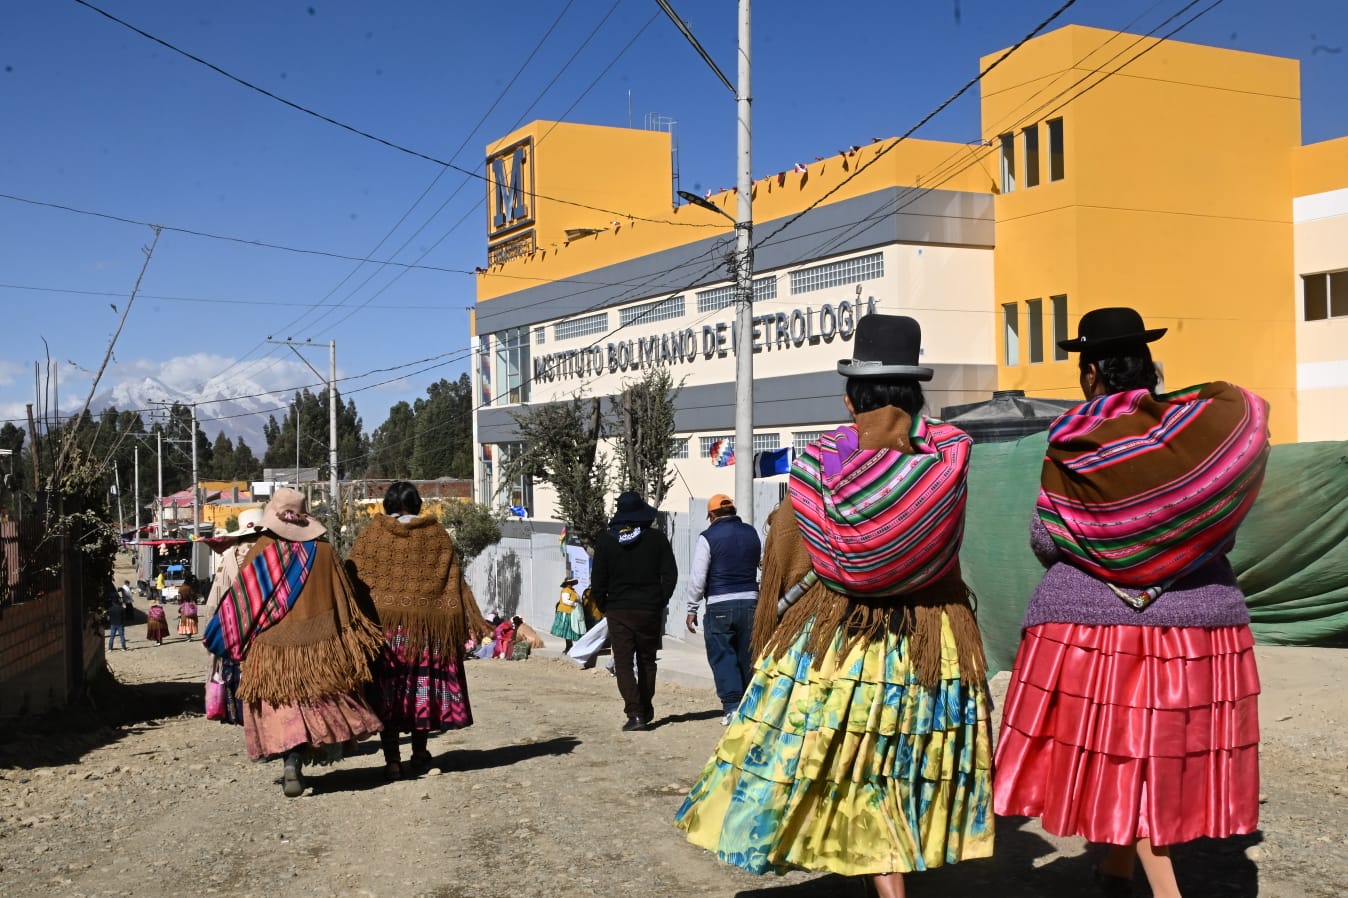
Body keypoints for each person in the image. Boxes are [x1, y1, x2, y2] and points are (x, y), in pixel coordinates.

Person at [674, 315, 993, 898]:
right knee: (902, 761)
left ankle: (876, 871)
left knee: (843, 760)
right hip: (931, 639)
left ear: (851, 399)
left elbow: (804, 547)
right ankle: (894, 864)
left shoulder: (819, 463)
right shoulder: (950, 456)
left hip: (840, 640)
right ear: (916, 394)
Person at [993, 307, 1270, 898]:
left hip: (1093, 631)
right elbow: (1223, 521)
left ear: (1091, 371)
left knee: (1127, 761)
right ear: (1148, 365)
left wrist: (1105, 543)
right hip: (1198, 626)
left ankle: (1164, 890)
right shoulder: (1199, 432)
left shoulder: (1074, 438)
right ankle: (1115, 869)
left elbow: (1047, 537)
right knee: (1153, 756)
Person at [203, 487, 384, 797]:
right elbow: (346, 602)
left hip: (270, 649)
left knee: (283, 708)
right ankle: (301, 756)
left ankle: (291, 761)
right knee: (315, 705)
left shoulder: (262, 551)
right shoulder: (324, 552)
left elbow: (242, 604)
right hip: (319, 647)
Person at [345, 481, 489, 781]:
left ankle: (392, 761)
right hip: (425, 634)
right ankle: (420, 753)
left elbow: (353, 579)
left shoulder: (373, 535)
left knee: (388, 695)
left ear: (387, 504)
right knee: (421, 690)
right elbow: (451, 581)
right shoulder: (435, 534)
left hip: (385, 636)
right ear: (417, 503)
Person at [590, 490, 677, 732]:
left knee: (624, 663)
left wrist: (605, 606)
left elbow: (598, 581)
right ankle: (645, 709)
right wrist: (660, 600)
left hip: (619, 610)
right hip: (649, 610)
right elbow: (670, 574)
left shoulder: (607, 541)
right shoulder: (657, 539)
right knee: (647, 660)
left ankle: (635, 713)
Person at [684, 493, 761, 726]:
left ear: (712, 515)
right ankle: (752, 706)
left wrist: (692, 608)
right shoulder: (752, 533)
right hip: (751, 602)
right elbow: (762, 563)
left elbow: (698, 577)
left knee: (723, 656)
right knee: (749, 654)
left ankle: (732, 708)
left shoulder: (708, 537)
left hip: (719, 604)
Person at [203, 507, 270, 727]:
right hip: (269, 628)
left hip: (238, 633)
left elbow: (214, 602)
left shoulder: (230, 558)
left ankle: (249, 724)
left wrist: (212, 637)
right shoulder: (275, 552)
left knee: (242, 681)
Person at [549, 578, 585, 652]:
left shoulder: (573, 591)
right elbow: (565, 601)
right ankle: (568, 646)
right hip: (565, 612)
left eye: (572, 583)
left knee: (569, 630)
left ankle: (569, 646)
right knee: (567, 629)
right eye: (569, 583)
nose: (571, 584)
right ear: (566, 584)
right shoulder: (566, 590)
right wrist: (575, 604)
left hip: (571, 612)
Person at [106, 583, 128, 651]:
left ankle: (110, 648)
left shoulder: (110, 609)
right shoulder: (121, 609)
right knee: (122, 636)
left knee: (112, 636)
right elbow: (124, 616)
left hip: (113, 624)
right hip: (120, 623)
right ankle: (123, 647)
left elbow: (108, 617)